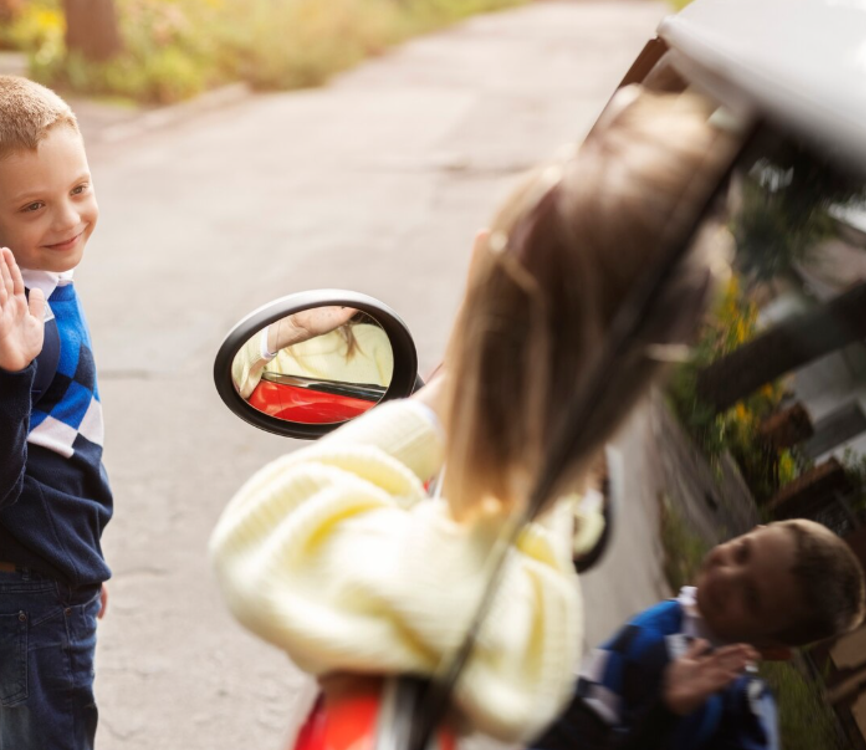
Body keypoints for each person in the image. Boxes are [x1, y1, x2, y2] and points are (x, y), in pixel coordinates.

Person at [209, 86, 737, 744]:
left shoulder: (451, 598)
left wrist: (446, 399)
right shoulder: (532, 582)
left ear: (484, 285)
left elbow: (269, 530)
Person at [0, 74, 112, 750]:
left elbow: (55, 457)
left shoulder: (33, 279)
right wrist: (8, 371)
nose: (67, 220)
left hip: (31, 578)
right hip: (23, 589)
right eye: (34, 205)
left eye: (80, 189)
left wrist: (81, 563)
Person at [531, 520, 865, 749]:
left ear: (770, 647)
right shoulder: (697, 615)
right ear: (754, 531)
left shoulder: (701, 697)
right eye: (742, 552)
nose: (726, 574)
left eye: (751, 598)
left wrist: (667, 710)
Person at [231, 306, 394, 400]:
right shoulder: (277, 351)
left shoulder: (372, 338)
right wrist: (292, 328)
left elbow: (400, 400)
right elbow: (234, 380)